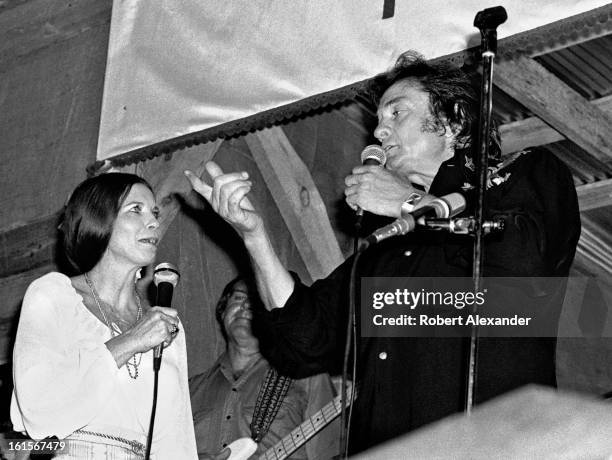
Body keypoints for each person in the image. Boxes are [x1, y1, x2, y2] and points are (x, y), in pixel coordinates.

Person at [185, 51, 580, 454]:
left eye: (396, 114)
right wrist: (254, 237)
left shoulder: (525, 174)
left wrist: (409, 202)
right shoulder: (390, 244)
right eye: (377, 122)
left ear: (454, 122)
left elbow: (522, 260)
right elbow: (305, 337)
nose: (379, 133)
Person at [11, 173, 198, 459]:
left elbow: (176, 442)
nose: (154, 223)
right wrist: (132, 340)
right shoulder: (53, 295)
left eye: (155, 212)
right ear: (100, 220)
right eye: (136, 210)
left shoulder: (164, 325)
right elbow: (40, 408)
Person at [189, 276, 340, 460]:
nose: (246, 306)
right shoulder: (189, 391)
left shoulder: (308, 376)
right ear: (222, 311)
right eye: (238, 297)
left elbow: (332, 453)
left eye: (257, 302)